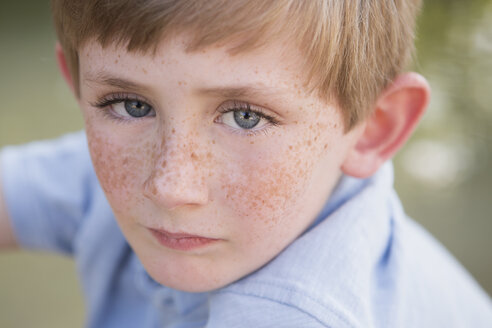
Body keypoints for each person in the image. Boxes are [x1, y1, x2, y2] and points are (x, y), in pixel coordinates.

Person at [1, 0, 491, 327]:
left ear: (375, 128)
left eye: (245, 116)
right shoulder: (121, 169)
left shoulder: (298, 314)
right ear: (78, 84)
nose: (171, 187)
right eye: (131, 105)